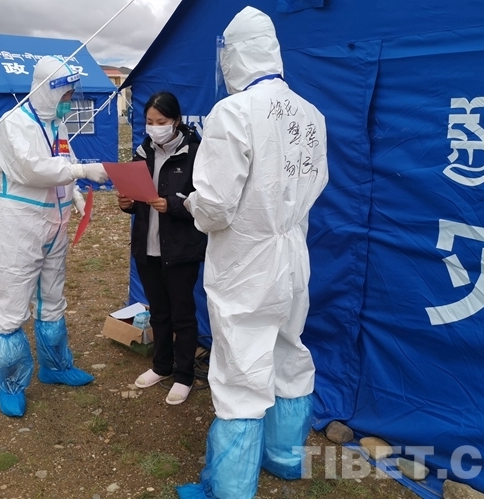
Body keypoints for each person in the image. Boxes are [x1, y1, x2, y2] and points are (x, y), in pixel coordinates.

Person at [177, 7, 329, 499]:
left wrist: (192, 204)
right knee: (288, 349)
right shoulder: (311, 113)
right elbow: (314, 185)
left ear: (235, 55)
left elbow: (216, 206)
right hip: (292, 252)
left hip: (246, 260)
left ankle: (230, 487)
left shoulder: (233, 112)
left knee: (240, 368)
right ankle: (285, 457)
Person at [0, 56, 110, 417]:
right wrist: (82, 171)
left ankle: (55, 365)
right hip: (20, 224)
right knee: (12, 303)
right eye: (65, 94)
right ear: (46, 90)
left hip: (56, 221)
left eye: (71, 94)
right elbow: (32, 169)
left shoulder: (57, 125)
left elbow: (62, 163)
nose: (69, 100)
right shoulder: (13, 124)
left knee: (52, 296)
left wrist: (75, 194)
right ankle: (10, 382)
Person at [118, 91, 207, 405]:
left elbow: (206, 203)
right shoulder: (143, 152)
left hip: (181, 248)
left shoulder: (195, 153)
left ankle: (184, 375)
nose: (155, 128)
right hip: (148, 246)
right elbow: (136, 198)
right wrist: (127, 204)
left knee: (182, 315)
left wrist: (173, 205)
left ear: (177, 120)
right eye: (150, 122)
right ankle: (161, 366)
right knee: (158, 312)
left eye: (161, 121)